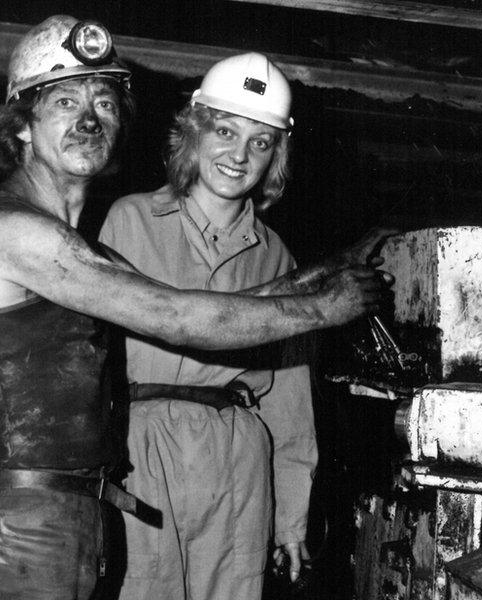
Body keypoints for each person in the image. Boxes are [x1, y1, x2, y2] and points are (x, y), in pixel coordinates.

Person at [0, 16, 391, 600]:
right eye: (63, 101)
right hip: (22, 513)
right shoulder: (19, 231)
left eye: (104, 103)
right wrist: (323, 308)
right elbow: (177, 319)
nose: (88, 120)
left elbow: (220, 311)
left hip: (74, 505)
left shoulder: (85, 250)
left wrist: (317, 274)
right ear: (23, 127)